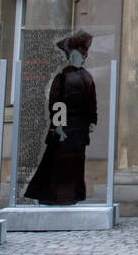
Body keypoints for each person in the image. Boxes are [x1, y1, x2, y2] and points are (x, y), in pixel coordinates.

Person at [24, 30, 96, 206]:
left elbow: (91, 102)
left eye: (82, 55)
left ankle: (70, 196)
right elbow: (57, 103)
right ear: (71, 56)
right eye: (77, 55)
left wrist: (92, 120)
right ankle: (54, 196)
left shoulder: (86, 77)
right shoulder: (63, 77)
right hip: (65, 127)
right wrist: (59, 126)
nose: (81, 58)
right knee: (57, 163)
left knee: (75, 163)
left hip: (79, 128)